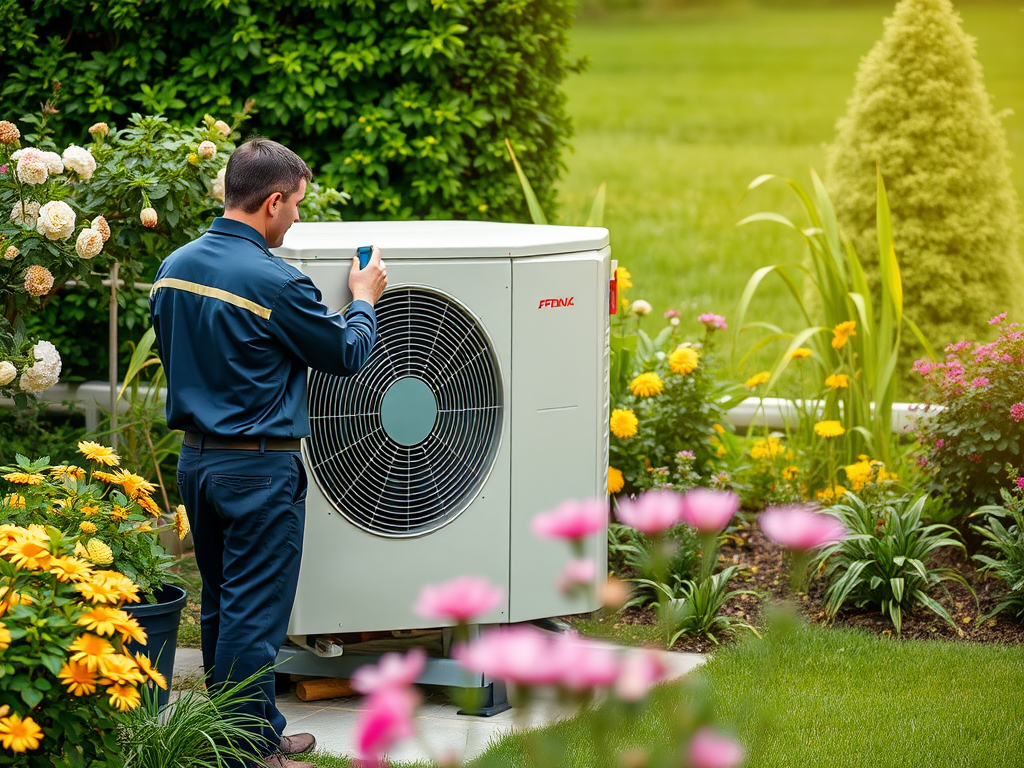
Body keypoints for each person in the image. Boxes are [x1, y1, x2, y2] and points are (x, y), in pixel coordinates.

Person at [150, 138, 387, 768]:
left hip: (197, 464)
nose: (297, 220)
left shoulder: (173, 267)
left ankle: (243, 732)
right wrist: (364, 298)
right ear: (272, 201)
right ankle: (247, 753)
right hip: (257, 468)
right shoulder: (276, 282)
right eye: (297, 207)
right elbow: (346, 355)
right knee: (254, 617)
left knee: (224, 608)